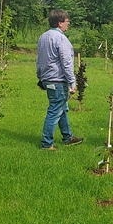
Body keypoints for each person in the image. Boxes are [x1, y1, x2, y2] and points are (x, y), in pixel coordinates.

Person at [36, 9, 83, 150]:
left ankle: (68, 137)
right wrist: (72, 82)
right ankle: (46, 143)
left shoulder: (43, 37)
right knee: (55, 110)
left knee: (62, 108)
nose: (68, 24)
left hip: (47, 79)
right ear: (60, 23)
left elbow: (39, 60)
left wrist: (40, 77)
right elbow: (66, 62)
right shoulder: (61, 39)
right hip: (57, 80)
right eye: (67, 22)